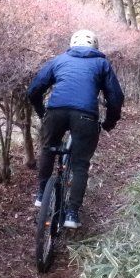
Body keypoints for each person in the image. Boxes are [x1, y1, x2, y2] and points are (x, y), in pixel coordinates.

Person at [27, 29, 124, 228]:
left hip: (56, 112)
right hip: (86, 116)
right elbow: (115, 98)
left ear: (72, 44)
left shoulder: (59, 60)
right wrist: (108, 123)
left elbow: (34, 90)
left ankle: (41, 192)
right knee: (80, 164)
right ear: (95, 46)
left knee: (47, 148)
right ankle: (72, 213)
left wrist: (42, 112)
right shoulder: (102, 63)